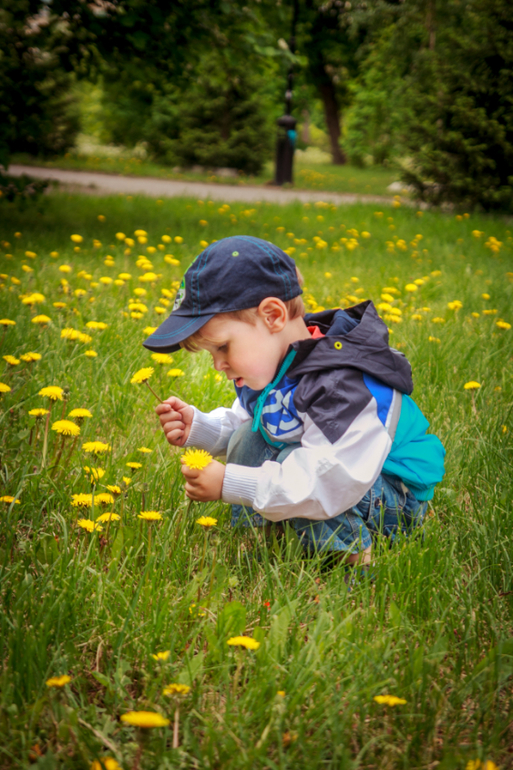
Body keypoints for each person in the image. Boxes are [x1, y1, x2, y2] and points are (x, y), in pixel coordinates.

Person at [145, 235, 445, 566]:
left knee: (296, 467)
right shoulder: (272, 363)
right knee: (252, 439)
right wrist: (200, 429)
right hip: (332, 476)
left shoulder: (339, 385)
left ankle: (351, 560)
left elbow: (327, 482)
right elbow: (255, 423)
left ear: (272, 316)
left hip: (386, 496)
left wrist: (229, 482)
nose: (218, 364)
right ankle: (268, 543)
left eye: (223, 347)